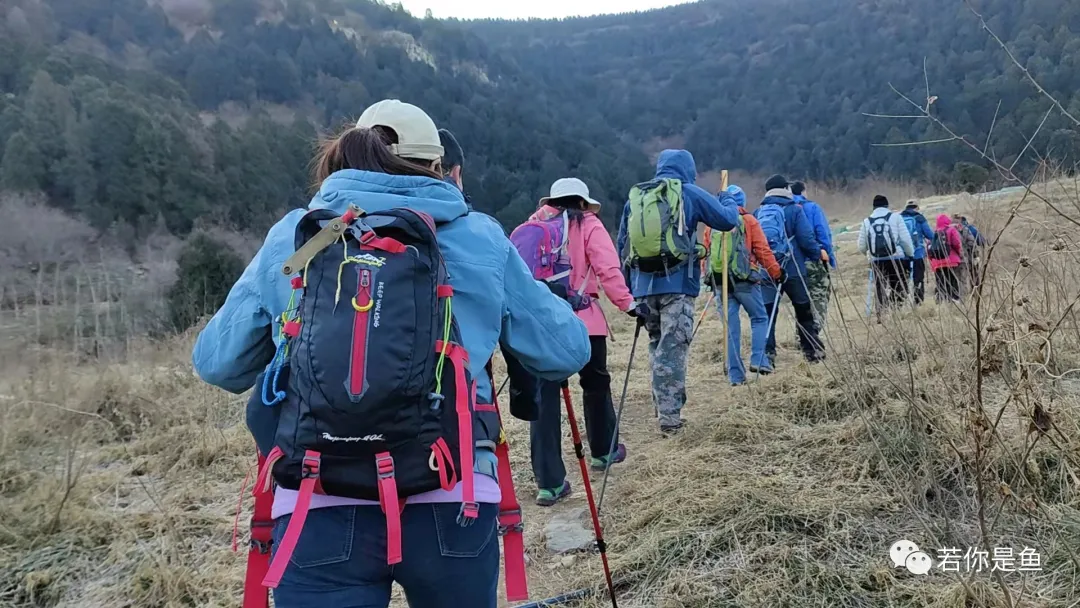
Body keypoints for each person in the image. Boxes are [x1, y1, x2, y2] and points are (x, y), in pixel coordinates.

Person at [192, 100, 592, 608]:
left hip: (318, 496)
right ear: (439, 168)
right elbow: (565, 351)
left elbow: (217, 363)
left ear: (346, 160)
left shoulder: (298, 238)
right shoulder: (478, 236)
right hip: (452, 492)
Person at [526, 178, 634, 506]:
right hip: (584, 321)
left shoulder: (532, 225)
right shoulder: (588, 223)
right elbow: (608, 269)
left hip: (543, 323)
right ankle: (604, 450)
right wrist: (628, 304)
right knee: (596, 384)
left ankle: (549, 483)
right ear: (583, 202)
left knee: (544, 398)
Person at [617, 149, 739, 435]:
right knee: (672, 349)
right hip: (678, 286)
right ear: (688, 169)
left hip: (643, 288)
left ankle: (663, 408)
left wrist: (629, 289)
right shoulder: (689, 193)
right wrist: (728, 198)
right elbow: (727, 220)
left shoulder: (637, 198)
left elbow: (623, 244)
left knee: (658, 345)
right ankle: (670, 420)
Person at [753, 174, 825, 367]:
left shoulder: (758, 212)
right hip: (793, 268)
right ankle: (811, 351)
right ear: (785, 189)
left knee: (767, 313)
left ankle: (767, 355)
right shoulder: (794, 210)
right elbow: (806, 238)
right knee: (803, 310)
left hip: (767, 269)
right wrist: (817, 254)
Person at [718, 185, 782, 384]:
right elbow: (763, 251)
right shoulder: (749, 221)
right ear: (743, 202)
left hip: (721, 282)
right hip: (745, 281)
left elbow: (707, 253)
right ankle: (759, 359)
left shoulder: (714, 222)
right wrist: (776, 272)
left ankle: (736, 377)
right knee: (760, 317)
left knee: (731, 328)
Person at [858, 195, 914, 320]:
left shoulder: (866, 221)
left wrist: (870, 255)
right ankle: (897, 311)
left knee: (880, 287)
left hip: (876, 260)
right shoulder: (896, 217)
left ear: (873, 207)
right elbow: (905, 240)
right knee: (898, 284)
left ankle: (881, 314)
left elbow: (861, 246)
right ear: (887, 205)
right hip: (896, 258)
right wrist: (910, 254)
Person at [791, 181, 835, 329]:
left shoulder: (785, 209)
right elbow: (823, 232)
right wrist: (830, 257)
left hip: (793, 263)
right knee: (819, 295)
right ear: (803, 192)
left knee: (801, 300)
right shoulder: (812, 208)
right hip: (813, 260)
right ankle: (813, 332)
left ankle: (801, 336)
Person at [901, 201, 935, 306]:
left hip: (902, 255)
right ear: (916, 208)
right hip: (917, 254)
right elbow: (930, 235)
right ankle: (918, 302)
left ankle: (902, 302)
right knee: (918, 278)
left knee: (903, 279)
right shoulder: (920, 218)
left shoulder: (899, 218)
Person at [930, 214, 964, 302]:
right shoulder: (951, 229)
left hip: (937, 263)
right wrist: (960, 254)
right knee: (953, 280)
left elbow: (929, 248)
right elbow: (957, 243)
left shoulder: (935, 233)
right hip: (951, 260)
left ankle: (941, 300)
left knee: (941, 282)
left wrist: (932, 262)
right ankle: (955, 300)